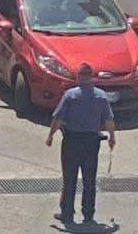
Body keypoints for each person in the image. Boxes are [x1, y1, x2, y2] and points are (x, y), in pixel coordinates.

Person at [46, 63, 116, 225]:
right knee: (89, 179)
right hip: (91, 142)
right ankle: (88, 213)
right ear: (91, 76)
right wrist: (112, 137)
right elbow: (109, 120)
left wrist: (51, 135)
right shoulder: (101, 96)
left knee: (69, 178)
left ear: (79, 76)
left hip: (72, 140)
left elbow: (58, 119)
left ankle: (67, 213)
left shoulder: (70, 95)